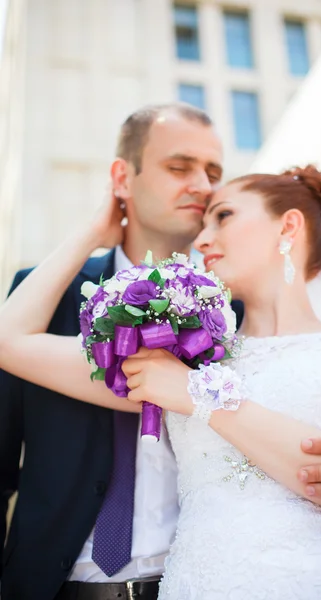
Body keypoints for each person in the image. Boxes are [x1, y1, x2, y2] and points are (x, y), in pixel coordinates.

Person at [1, 165, 321, 598]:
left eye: (223, 216)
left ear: (288, 225)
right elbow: (10, 342)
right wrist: (93, 232)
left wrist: (196, 394)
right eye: (204, 222)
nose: (202, 238)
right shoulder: (179, 352)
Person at [0, 102, 229, 600]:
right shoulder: (39, 301)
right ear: (122, 177)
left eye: (213, 171)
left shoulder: (232, 310)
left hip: (193, 586)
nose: (204, 185)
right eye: (179, 166)